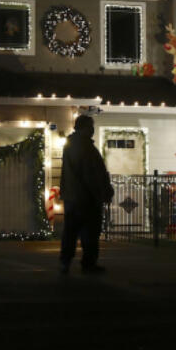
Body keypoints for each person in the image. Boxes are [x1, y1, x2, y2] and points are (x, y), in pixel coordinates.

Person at [58, 115, 114, 274]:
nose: (93, 129)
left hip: (72, 197)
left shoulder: (71, 145)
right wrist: (102, 192)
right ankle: (88, 263)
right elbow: (91, 174)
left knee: (71, 231)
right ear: (84, 127)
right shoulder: (85, 147)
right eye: (91, 126)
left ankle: (66, 261)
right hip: (86, 198)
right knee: (90, 232)